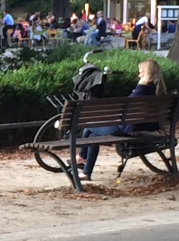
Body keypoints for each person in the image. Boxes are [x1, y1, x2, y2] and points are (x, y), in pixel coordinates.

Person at [69, 56, 167, 187]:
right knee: (92, 136)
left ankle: (82, 157)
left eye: (141, 72)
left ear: (147, 74)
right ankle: (86, 171)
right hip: (143, 127)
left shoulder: (141, 90)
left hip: (127, 129)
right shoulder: (157, 90)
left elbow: (127, 108)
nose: (138, 75)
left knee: (88, 125)